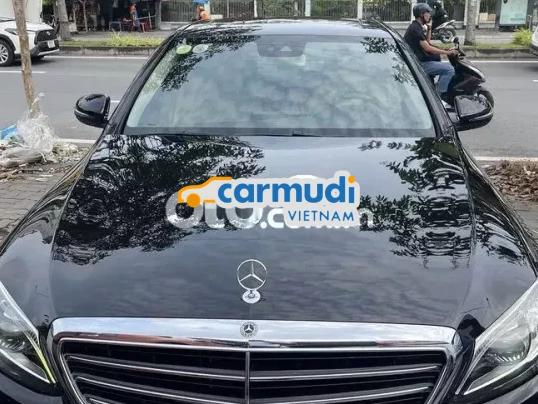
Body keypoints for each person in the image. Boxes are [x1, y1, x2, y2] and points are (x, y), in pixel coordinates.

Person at [404, 3, 458, 100]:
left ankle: (435, 89)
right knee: (449, 69)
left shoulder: (417, 26)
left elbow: (427, 42)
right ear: (421, 14)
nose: (430, 15)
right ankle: (438, 97)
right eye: (428, 12)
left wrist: (429, 28)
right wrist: (448, 52)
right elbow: (428, 48)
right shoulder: (415, 29)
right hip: (419, 64)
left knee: (442, 63)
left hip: (418, 62)